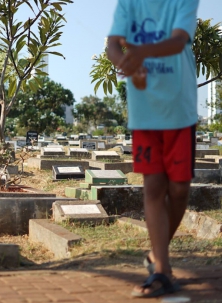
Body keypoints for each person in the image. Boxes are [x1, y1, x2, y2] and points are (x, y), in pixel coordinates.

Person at [107, 0, 198, 298]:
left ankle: (157, 254)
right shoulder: (128, 4)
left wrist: (140, 52)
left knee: (180, 188)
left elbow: (176, 42)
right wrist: (127, 66)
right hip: (144, 111)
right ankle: (162, 271)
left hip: (178, 109)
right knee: (154, 188)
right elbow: (112, 46)